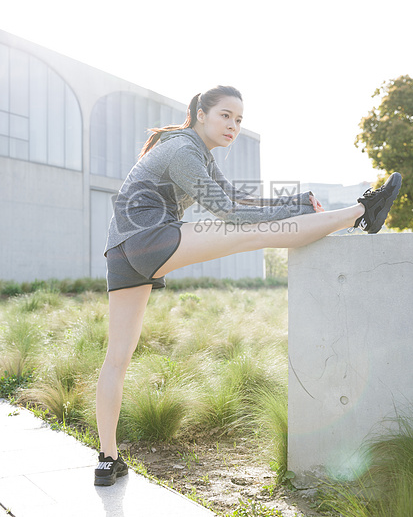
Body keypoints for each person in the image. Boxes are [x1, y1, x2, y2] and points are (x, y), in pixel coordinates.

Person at [94, 85, 402, 486]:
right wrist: (291, 210)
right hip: (150, 238)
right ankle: (362, 211)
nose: (233, 126)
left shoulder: (193, 150)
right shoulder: (184, 150)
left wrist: (294, 200)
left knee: (116, 358)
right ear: (200, 114)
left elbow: (237, 196)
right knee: (257, 233)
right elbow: (231, 213)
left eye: (239, 120)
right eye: (225, 116)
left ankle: (107, 459)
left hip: (120, 249)